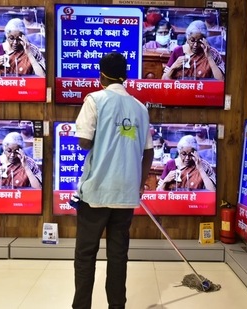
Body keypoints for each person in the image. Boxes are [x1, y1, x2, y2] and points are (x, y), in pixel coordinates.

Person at [72, 52, 153, 309]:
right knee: (118, 256)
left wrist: (103, 136)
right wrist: (139, 182)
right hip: (125, 194)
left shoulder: (95, 99)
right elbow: (149, 151)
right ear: (125, 76)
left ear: (101, 76)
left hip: (96, 193)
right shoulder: (140, 108)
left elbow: (84, 141)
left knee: (86, 255)